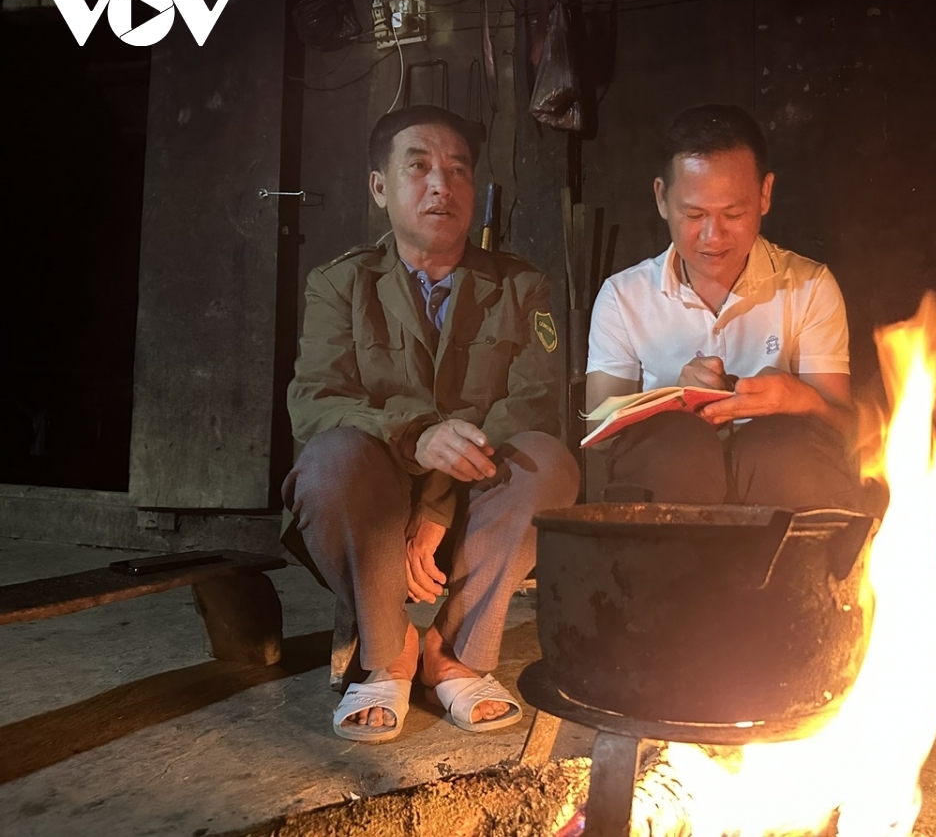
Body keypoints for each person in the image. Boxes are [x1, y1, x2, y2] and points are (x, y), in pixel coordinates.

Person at [281, 105, 579, 743]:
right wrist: (416, 436)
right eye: (418, 168)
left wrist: (438, 505)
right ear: (379, 187)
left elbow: (531, 405)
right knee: (331, 460)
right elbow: (316, 399)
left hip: (478, 514)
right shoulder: (339, 285)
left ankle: (452, 651)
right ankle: (390, 651)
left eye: (459, 170)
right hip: (372, 511)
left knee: (546, 461)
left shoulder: (521, 286)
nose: (442, 185)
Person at [586, 104, 862, 510]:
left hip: (777, 485)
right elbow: (597, 429)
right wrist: (674, 397)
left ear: (765, 194)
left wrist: (800, 398)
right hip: (671, 491)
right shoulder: (624, 296)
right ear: (662, 197)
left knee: (780, 449)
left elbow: (846, 428)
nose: (713, 237)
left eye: (733, 213)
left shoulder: (808, 286)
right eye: (694, 214)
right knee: (678, 449)